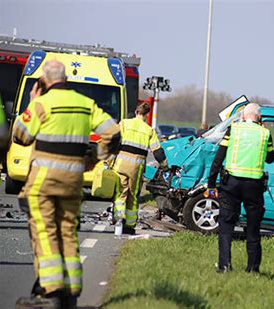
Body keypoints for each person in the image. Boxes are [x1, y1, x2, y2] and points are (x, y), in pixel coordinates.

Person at [13, 60, 121, 307]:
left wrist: (32, 101)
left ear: (44, 81)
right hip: (73, 182)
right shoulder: (85, 104)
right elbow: (113, 134)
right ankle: (71, 293)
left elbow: (21, 135)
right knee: (68, 232)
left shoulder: (41, 103)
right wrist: (93, 157)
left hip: (43, 183)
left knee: (45, 232)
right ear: (66, 80)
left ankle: (51, 293)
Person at [205, 103, 274, 273]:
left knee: (226, 225)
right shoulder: (265, 134)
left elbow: (218, 158)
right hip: (254, 186)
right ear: (259, 118)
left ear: (243, 116)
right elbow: (271, 159)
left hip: (231, 184)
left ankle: (224, 266)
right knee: (253, 227)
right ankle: (253, 269)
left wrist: (211, 184)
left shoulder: (233, 130)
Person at [112, 102, 168, 235]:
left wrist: (108, 159)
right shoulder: (149, 130)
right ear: (146, 115)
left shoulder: (124, 123)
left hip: (120, 164)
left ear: (136, 112)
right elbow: (157, 151)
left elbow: (114, 141)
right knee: (133, 195)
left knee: (120, 192)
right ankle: (130, 225)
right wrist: (165, 165)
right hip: (136, 168)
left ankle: (118, 218)